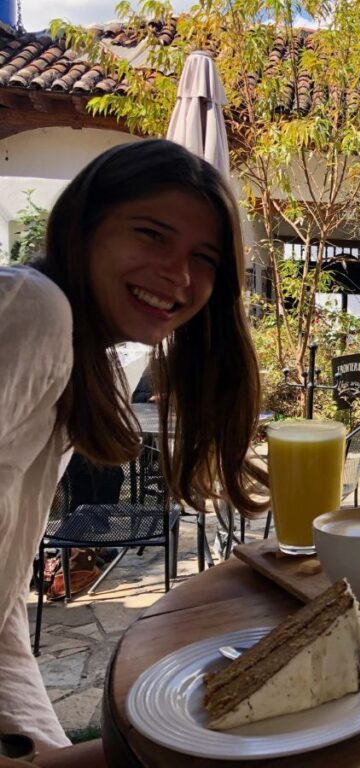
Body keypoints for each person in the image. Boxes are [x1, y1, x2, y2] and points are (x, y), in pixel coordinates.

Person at [0, 140, 268, 760]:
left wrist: (37, 737)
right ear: (83, 226)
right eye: (151, 235)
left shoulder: (79, 355)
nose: (179, 277)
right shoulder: (32, 311)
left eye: (204, 258)